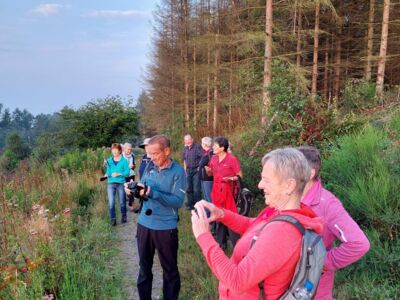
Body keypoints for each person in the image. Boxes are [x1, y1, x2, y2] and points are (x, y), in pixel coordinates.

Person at [191, 148, 324, 299]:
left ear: (289, 185)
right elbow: (252, 226)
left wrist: (204, 237)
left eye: (266, 180)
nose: (260, 185)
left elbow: (237, 281)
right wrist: (221, 214)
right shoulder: (283, 213)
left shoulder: (282, 232)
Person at [297, 146, 370, 300]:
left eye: (293, 167)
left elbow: (358, 243)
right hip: (286, 287)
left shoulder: (327, 204)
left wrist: (322, 263)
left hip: (314, 290)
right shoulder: (288, 196)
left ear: (310, 173)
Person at [130, 134, 185, 300]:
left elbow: (177, 201)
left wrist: (152, 193)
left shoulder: (178, 172)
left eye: (155, 154)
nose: (151, 158)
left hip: (165, 228)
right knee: (144, 269)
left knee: (170, 271)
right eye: (149, 154)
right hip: (144, 225)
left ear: (166, 151)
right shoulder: (149, 167)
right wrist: (135, 190)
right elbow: (144, 189)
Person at [204, 136, 242, 249]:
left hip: (228, 192)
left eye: (215, 146)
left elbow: (239, 176)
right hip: (216, 191)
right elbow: (211, 174)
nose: (213, 147)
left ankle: (237, 244)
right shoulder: (214, 159)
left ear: (222, 147)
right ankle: (221, 243)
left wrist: (230, 179)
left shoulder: (232, 159)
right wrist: (208, 171)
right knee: (218, 215)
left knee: (230, 215)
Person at [105, 143, 130, 226]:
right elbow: (108, 172)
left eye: (116, 150)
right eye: (113, 150)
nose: (114, 152)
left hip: (120, 183)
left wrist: (119, 174)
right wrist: (106, 175)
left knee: (122, 202)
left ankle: (124, 217)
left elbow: (127, 173)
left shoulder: (124, 161)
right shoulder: (109, 160)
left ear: (120, 151)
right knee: (111, 202)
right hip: (111, 184)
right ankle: (113, 219)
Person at [182, 134, 203, 210]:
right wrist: (185, 170)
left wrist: (199, 167)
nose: (188, 141)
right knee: (188, 188)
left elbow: (203, 157)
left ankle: (198, 206)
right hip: (188, 170)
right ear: (184, 141)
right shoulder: (184, 149)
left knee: (196, 189)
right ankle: (191, 206)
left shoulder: (197, 147)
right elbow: (184, 160)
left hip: (196, 170)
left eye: (189, 140)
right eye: (186, 140)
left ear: (192, 139)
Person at [198, 136, 213, 203]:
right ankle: (207, 212)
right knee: (206, 197)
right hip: (204, 178)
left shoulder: (209, 153)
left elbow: (201, 163)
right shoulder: (205, 153)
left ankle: (211, 212)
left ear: (205, 144)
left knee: (208, 197)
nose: (201, 144)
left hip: (207, 178)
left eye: (202, 143)